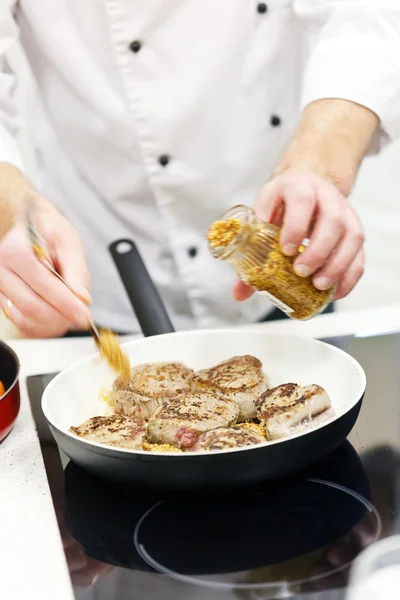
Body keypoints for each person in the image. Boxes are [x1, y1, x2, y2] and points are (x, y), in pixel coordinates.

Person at [0, 1, 399, 338]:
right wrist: (12, 208)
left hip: (282, 236)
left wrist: (318, 169)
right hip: (100, 243)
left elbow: (364, 17)